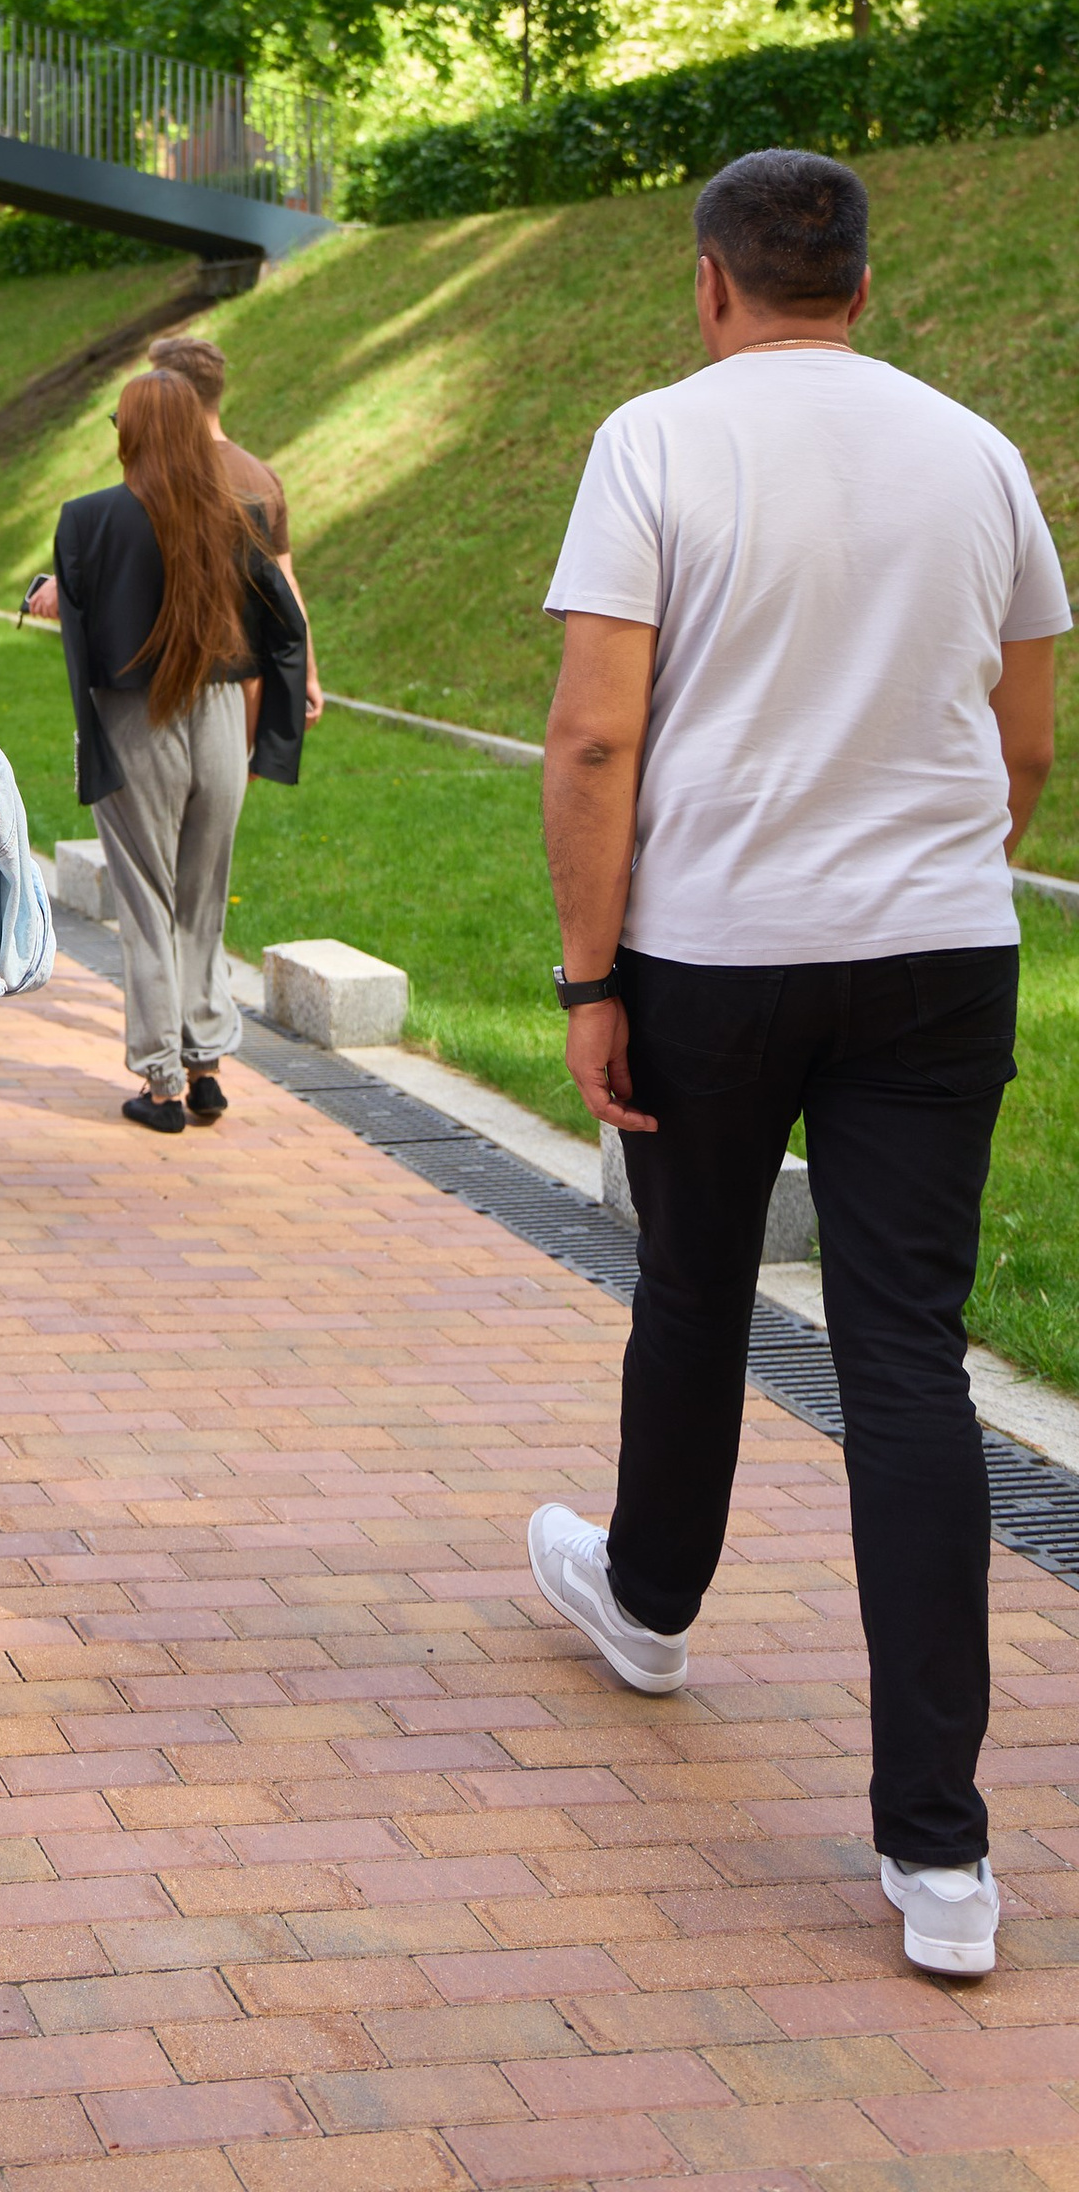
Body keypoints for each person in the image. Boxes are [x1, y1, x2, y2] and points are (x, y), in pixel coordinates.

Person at [528, 147, 1065, 1981]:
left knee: (694, 1286)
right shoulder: (981, 454)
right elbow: (1026, 745)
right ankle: (943, 1862)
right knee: (905, 1361)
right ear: (863, 281)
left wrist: (589, 973)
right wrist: (923, 871)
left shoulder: (658, 443)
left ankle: (652, 1602)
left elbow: (598, 736)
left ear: (711, 282)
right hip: (938, 957)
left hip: (717, 952)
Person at [25, 369, 308, 1133]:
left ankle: (161, 1084)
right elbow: (286, 624)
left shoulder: (86, 520)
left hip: (132, 719)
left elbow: (81, 625)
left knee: (147, 903)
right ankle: (207, 1063)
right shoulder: (237, 513)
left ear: (130, 433)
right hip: (218, 713)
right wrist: (275, 726)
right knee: (202, 899)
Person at [145, 331, 324, 725]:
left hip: (166, 683)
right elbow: (286, 583)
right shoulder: (263, 477)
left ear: (174, 394)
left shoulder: (160, 478)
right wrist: (307, 672)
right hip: (245, 688)